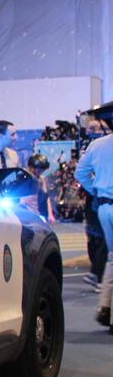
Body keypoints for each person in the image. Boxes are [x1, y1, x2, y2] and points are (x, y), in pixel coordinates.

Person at [75, 125, 113, 332]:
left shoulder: (97, 145)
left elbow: (80, 174)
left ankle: (106, 308)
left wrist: (96, 190)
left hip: (105, 206)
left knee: (112, 258)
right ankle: (107, 310)